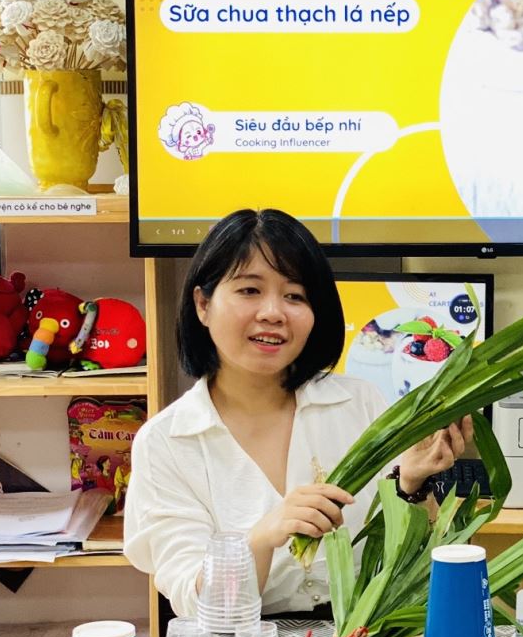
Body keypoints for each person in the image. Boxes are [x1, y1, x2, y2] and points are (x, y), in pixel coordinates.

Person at [124, 208, 471, 616]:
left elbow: (414, 567)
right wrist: (262, 538)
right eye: (249, 290)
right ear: (203, 304)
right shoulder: (166, 442)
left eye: (295, 296)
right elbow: (197, 604)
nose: (273, 312)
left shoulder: (360, 403)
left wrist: (414, 482)